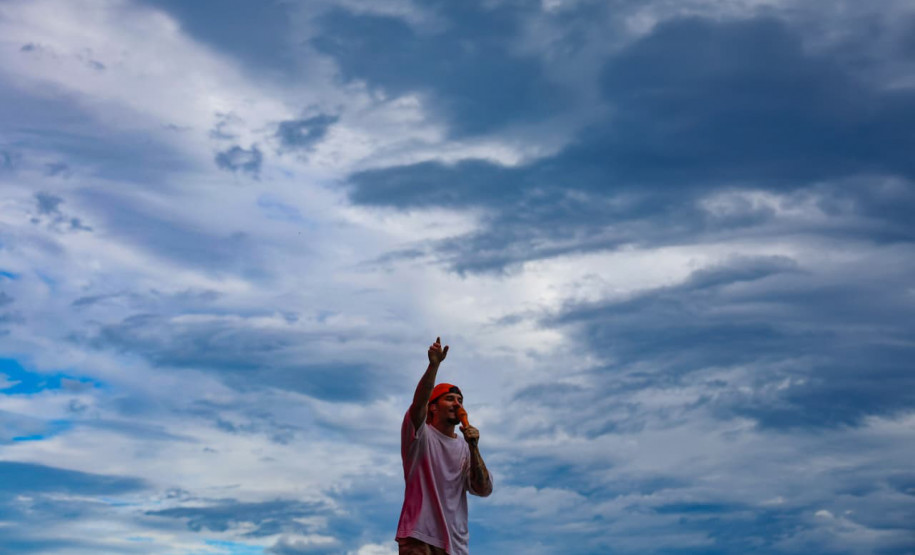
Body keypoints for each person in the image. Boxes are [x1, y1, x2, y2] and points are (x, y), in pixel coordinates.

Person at [395, 337, 493, 555]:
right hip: (419, 535)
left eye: (460, 400)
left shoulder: (465, 448)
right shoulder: (419, 435)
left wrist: (474, 447)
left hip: (454, 544)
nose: (457, 404)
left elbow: (483, 489)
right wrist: (434, 365)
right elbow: (418, 403)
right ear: (433, 408)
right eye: (450, 398)